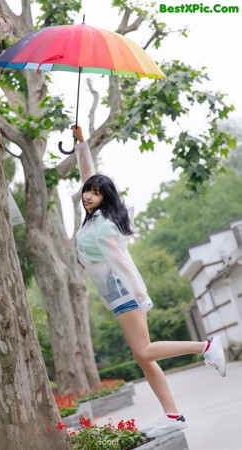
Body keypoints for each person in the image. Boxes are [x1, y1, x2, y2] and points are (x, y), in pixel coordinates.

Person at [71, 124, 226, 438]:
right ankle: (173, 414)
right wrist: (81, 144)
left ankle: (206, 345)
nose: (88, 195)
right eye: (88, 190)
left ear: (106, 198)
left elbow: (123, 264)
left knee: (143, 352)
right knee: (144, 358)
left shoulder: (103, 227)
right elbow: (89, 174)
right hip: (118, 296)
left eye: (95, 192)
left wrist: (141, 295)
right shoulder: (98, 217)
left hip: (124, 293)